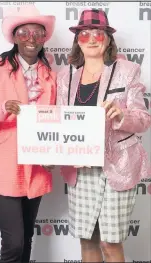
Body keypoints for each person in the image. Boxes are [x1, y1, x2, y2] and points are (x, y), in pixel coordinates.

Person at [57, 9, 151, 263]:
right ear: (77, 40)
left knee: (110, 243)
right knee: (87, 240)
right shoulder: (65, 76)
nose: (91, 38)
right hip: (82, 168)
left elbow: (143, 119)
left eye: (98, 33)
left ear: (108, 39)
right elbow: (59, 122)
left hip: (116, 166)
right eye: (84, 33)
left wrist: (121, 114)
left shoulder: (127, 70)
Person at [0, 5, 56, 263]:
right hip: (4, 167)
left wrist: (56, 151)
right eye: (24, 33)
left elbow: (56, 122)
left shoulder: (50, 75)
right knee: (14, 242)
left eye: (38, 33)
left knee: (26, 240)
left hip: (37, 166)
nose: (31, 39)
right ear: (14, 37)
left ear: (44, 38)